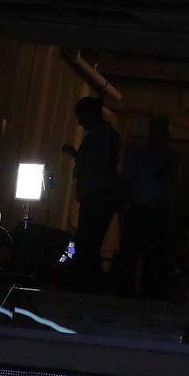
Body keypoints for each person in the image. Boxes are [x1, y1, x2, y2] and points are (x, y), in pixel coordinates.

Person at [114, 115, 180, 298]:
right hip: (144, 210)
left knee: (149, 257)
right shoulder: (144, 156)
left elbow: (171, 187)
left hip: (153, 212)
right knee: (137, 255)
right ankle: (132, 292)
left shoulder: (163, 158)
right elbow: (129, 183)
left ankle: (142, 293)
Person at [63, 97, 121, 283]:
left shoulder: (103, 135)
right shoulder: (104, 134)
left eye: (81, 117)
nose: (80, 122)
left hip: (97, 197)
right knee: (86, 241)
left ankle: (84, 280)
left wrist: (77, 157)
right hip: (96, 196)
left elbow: (99, 165)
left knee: (86, 242)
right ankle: (85, 278)